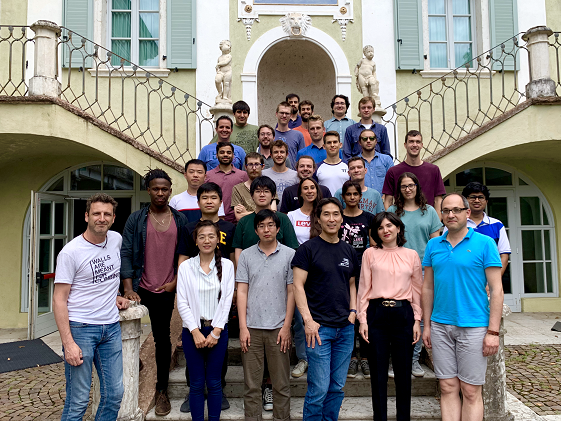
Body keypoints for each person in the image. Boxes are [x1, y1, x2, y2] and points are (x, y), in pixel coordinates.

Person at [422, 193, 504, 421]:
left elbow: (497, 290)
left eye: (456, 210)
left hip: (474, 327)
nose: (451, 214)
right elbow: (427, 288)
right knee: (447, 387)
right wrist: (426, 326)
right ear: (441, 215)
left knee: (470, 390)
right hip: (440, 326)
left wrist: (493, 332)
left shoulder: (485, 243)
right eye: (446, 210)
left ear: (467, 213)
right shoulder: (433, 245)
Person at [54, 193, 129, 421]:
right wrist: (68, 343)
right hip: (81, 329)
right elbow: (59, 298)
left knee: (115, 394)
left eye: (107, 214)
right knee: (78, 400)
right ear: (87, 216)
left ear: (114, 218)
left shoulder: (115, 239)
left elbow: (105, 277)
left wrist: (114, 295)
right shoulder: (71, 252)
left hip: (111, 328)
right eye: (96, 213)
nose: (101, 218)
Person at [120, 169, 189, 416]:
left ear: (170, 191)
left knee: (162, 340)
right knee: (124, 333)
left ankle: (162, 391)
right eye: (156, 188)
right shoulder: (136, 219)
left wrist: (175, 282)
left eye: (165, 189)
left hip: (166, 288)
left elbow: (185, 254)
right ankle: (132, 365)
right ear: (148, 190)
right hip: (139, 287)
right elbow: (126, 252)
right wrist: (128, 288)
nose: (160, 193)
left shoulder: (180, 220)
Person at [292, 198, 360, 421]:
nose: (331, 219)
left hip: (345, 328)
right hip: (319, 329)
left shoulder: (349, 250)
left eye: (335, 214)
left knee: (337, 387)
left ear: (342, 218)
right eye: (326, 214)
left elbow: (351, 283)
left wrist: (353, 313)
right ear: (318, 219)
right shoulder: (307, 250)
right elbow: (298, 286)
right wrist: (308, 321)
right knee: (319, 388)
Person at [358, 212, 423, 421]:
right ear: (376, 232)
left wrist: (417, 319)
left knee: (404, 372)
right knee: (378, 373)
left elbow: (417, 290)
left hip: (403, 314)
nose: (385, 230)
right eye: (380, 227)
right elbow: (363, 289)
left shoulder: (411, 255)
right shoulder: (370, 254)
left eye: (389, 226)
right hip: (376, 313)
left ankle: (403, 418)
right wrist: (363, 320)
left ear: (398, 228)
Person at [176, 182, 235, 412]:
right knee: (197, 374)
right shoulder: (189, 228)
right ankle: (194, 393)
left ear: (221, 201)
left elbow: (226, 296)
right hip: (194, 316)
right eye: (203, 237)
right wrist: (194, 329)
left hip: (217, 319)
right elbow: (182, 300)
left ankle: (218, 390)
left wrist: (218, 328)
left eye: (212, 236)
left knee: (216, 373)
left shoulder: (229, 229)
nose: (207, 240)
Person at [237, 209, 296, 421]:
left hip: (279, 328)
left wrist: (287, 326)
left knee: (281, 384)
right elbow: (242, 291)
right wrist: (243, 328)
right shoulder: (246, 255)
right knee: (251, 385)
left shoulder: (290, 254)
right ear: (256, 230)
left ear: (278, 229)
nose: (266, 229)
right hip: (252, 327)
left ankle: (282, 418)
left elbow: (292, 291)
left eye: (271, 225)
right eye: (261, 226)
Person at [387, 172, 442, 378]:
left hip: (423, 269)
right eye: (403, 186)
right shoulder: (393, 211)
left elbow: (435, 243)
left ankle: (414, 360)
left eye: (411, 185)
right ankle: (396, 360)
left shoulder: (429, 212)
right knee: (397, 315)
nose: (408, 189)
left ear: (417, 187)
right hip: (397, 269)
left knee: (419, 315)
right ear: (399, 190)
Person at [337, 180, 376, 380]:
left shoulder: (368, 218)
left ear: (361, 196)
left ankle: (366, 357)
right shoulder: (338, 218)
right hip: (341, 269)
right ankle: (351, 355)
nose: (352, 197)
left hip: (364, 269)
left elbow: (375, 245)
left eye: (355, 194)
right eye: (348, 194)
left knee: (364, 311)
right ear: (343, 196)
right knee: (348, 311)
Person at [382, 130, 446, 218]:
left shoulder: (433, 170)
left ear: (421, 145)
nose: (414, 145)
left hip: (427, 221)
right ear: (405, 145)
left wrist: (437, 225)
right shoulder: (393, 171)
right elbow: (388, 201)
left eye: (418, 142)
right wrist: (392, 222)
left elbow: (438, 201)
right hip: (401, 221)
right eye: (411, 141)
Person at [459, 182, 511, 276]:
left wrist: (494, 281)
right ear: (465, 201)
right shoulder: (456, 224)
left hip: (490, 279)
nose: (477, 200)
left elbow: (504, 256)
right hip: (462, 279)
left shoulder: (497, 225)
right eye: (473, 197)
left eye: (481, 197)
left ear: (486, 201)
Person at [205, 141, 249, 224]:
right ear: (217, 155)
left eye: (229, 152)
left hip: (237, 221)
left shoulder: (243, 175)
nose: (225, 155)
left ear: (233, 155)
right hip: (214, 221)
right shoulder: (208, 175)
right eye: (222, 152)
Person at [232, 152, 278, 221]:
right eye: (250, 164)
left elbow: (273, 212)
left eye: (257, 164)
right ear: (245, 167)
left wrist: (245, 212)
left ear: (262, 166)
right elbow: (239, 217)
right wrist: (265, 211)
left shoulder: (270, 185)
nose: (254, 168)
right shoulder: (237, 189)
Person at [343, 96, 391, 161]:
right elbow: (346, 154)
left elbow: (386, 152)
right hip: (357, 168)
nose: (366, 110)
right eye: (363, 108)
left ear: (373, 109)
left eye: (369, 107)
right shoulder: (350, 130)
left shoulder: (382, 129)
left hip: (378, 167)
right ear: (359, 110)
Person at [262, 140, 299, 209]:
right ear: (271, 155)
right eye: (276, 152)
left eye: (282, 152)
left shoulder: (295, 175)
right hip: (269, 214)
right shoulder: (263, 174)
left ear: (287, 154)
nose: (279, 155)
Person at [287, 177, 323, 246]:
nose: (309, 191)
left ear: (316, 191)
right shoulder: (291, 215)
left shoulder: (323, 214)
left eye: (312, 188)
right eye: (305, 188)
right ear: (300, 193)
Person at [358, 129, 394, 195]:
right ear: (360, 142)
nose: (368, 141)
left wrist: (385, 198)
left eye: (371, 138)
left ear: (376, 141)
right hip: (362, 202)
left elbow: (393, 181)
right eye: (365, 139)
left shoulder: (386, 159)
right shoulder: (355, 162)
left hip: (383, 201)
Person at [315, 131, 349, 196]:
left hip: (344, 205)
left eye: (335, 142)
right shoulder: (317, 168)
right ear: (324, 146)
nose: (332, 145)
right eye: (329, 143)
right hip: (324, 205)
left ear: (340, 145)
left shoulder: (348, 166)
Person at [275, 101, 306, 167]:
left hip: (292, 175)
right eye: (281, 113)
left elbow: (303, 159)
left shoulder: (298, 135)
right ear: (276, 114)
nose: (284, 116)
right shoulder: (270, 135)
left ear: (291, 115)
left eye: (287, 113)